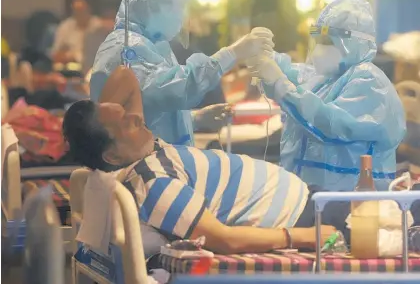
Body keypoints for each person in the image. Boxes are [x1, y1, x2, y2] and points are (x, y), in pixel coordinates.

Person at [62, 66, 420, 255]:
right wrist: (304, 237)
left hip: (304, 197)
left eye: (126, 112)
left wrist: (99, 118)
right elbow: (225, 240)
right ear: (111, 153)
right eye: (123, 121)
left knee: (406, 200)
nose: (135, 117)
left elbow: (125, 78)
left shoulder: (139, 151)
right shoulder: (156, 186)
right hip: (303, 215)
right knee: (407, 218)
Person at [90, 0, 274, 145]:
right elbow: (174, 90)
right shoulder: (126, 47)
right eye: (172, 5)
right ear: (146, 4)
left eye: (181, 5)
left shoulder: (155, 46)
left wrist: (194, 119)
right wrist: (233, 53)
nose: (180, 13)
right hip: (137, 168)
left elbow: (153, 113)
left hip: (159, 163)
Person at [249, 0, 406, 191]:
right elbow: (296, 75)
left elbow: (330, 124)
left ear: (354, 43)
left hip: (353, 198)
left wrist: (280, 84)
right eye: (318, 38)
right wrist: (266, 55)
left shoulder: (369, 81)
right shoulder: (326, 77)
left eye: (328, 40)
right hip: (310, 192)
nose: (320, 48)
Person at [52, 0, 102, 65]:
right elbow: (56, 54)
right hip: (70, 66)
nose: (79, 14)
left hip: (92, 65)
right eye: (76, 11)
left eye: (82, 10)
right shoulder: (65, 26)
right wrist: (68, 56)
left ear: (89, 10)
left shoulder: (98, 25)